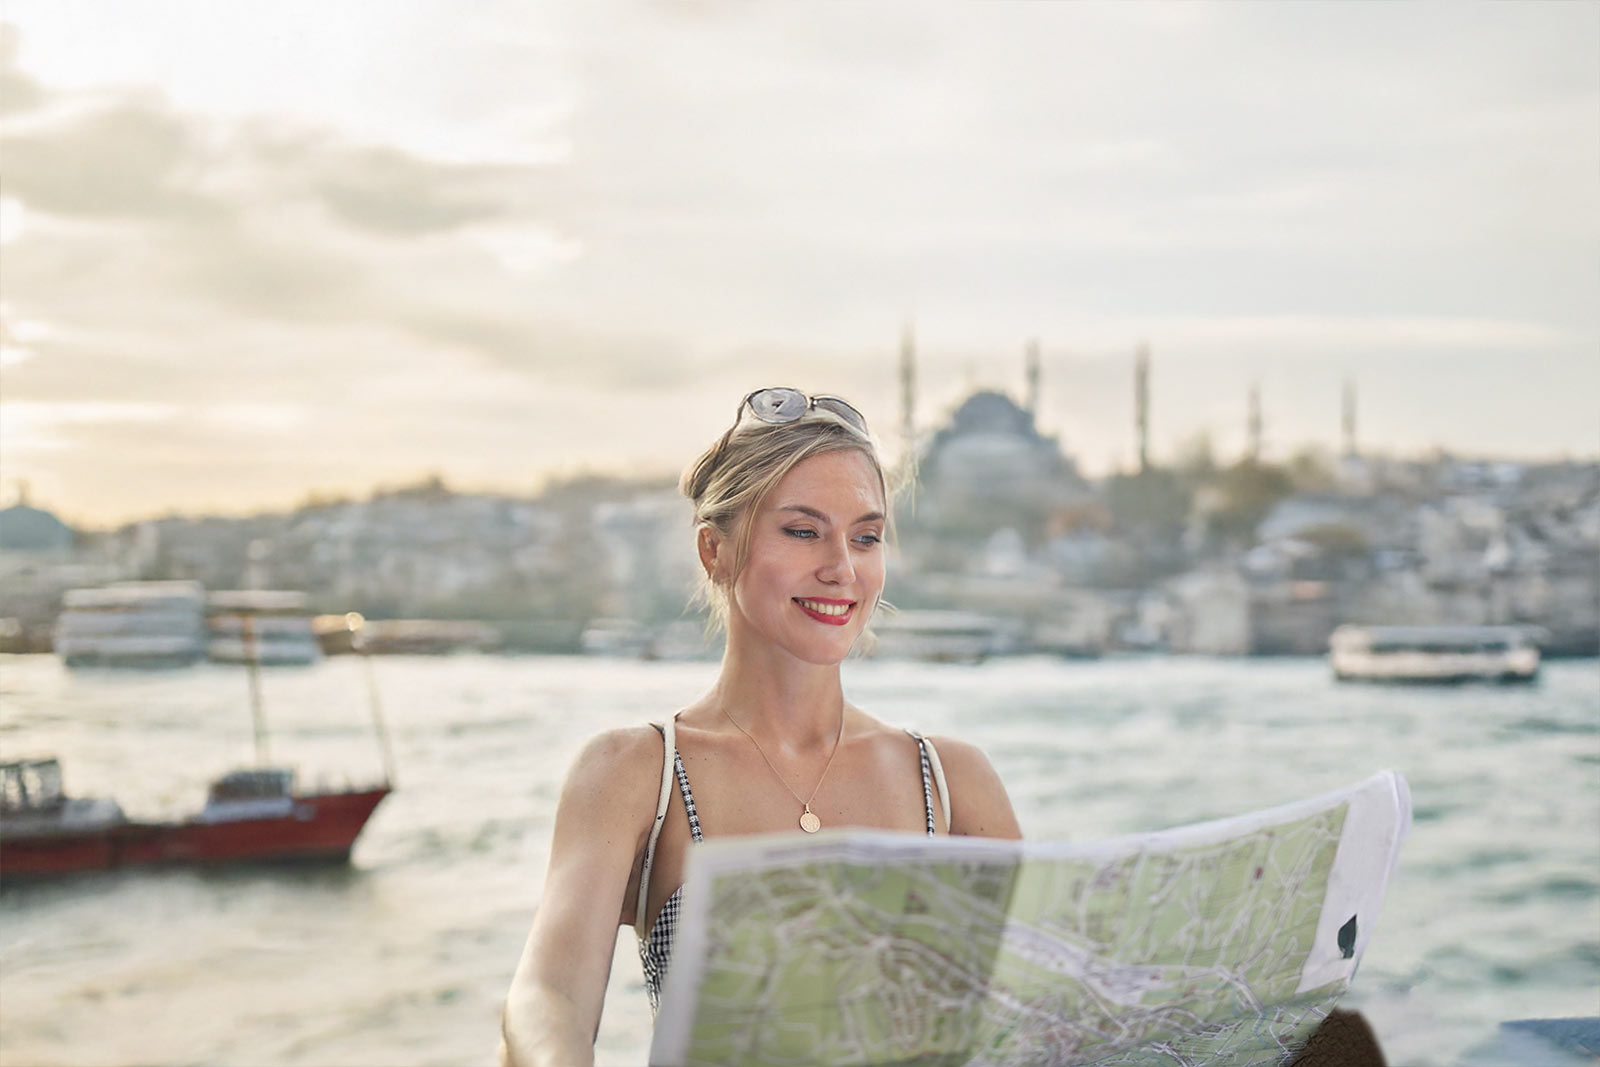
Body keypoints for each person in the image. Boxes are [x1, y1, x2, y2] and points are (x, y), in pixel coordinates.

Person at [498, 387, 1021, 1067]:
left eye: (865, 536)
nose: (842, 567)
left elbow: (1038, 1008)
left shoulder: (951, 782)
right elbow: (549, 996)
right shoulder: (637, 773)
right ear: (715, 551)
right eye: (803, 531)